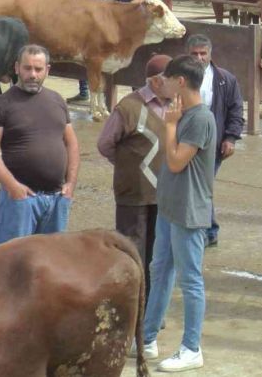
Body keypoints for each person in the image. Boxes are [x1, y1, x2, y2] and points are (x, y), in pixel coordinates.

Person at [138, 55, 216, 372]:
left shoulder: (199, 118)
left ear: (180, 82)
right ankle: (146, 337)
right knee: (161, 271)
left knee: (191, 280)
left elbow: (175, 162)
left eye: (168, 79)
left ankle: (191, 348)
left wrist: (169, 126)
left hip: (189, 210)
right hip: (170, 207)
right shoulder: (182, 113)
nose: (164, 84)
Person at [0, 45, 79, 245]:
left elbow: (72, 144)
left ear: (47, 70)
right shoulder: (1, 105)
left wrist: (70, 184)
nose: (32, 74)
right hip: (20, 200)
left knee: (52, 263)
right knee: (12, 263)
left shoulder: (57, 100)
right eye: (27, 68)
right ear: (17, 68)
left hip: (57, 199)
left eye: (38, 69)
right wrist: (13, 187)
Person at [97, 54, 172, 302]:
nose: (176, 84)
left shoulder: (177, 107)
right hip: (134, 196)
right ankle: (131, 307)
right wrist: (129, 166)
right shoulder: (128, 107)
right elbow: (105, 144)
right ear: (156, 81)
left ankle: (152, 309)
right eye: (171, 79)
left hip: (165, 195)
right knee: (132, 254)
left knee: (159, 254)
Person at [186, 35, 244, 248]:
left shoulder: (224, 79)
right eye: (195, 54)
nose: (199, 58)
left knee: (202, 185)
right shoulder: (179, 77)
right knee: (195, 186)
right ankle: (206, 228)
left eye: (203, 54)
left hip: (213, 144)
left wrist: (230, 138)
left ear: (211, 55)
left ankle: (207, 230)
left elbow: (236, 110)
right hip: (184, 141)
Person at [67, 0, 115, 102]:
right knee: (81, 61)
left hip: (100, 32)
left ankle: (102, 96)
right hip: (83, 31)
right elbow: (75, 10)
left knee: (100, 62)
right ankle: (83, 92)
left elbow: (107, 11)